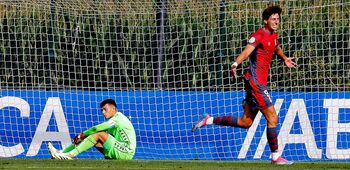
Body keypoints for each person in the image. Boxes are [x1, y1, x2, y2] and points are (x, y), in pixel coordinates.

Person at [192, 5, 296, 165]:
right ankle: (275, 157)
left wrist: (284, 58)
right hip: (256, 84)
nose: (276, 21)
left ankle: (209, 120)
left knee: (246, 122)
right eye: (273, 19)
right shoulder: (259, 34)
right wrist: (235, 63)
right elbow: (247, 51)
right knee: (273, 118)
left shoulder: (273, 35)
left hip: (255, 83)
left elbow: (275, 47)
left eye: (278, 19)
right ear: (265, 20)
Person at [48, 99, 136, 160]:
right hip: (119, 150)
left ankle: (71, 154)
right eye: (102, 110)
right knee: (92, 137)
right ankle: (61, 152)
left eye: (105, 109)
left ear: (113, 108)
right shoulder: (113, 121)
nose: (103, 112)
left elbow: (96, 128)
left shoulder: (118, 118)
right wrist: (83, 136)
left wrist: (81, 134)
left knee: (99, 134)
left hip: (126, 152)